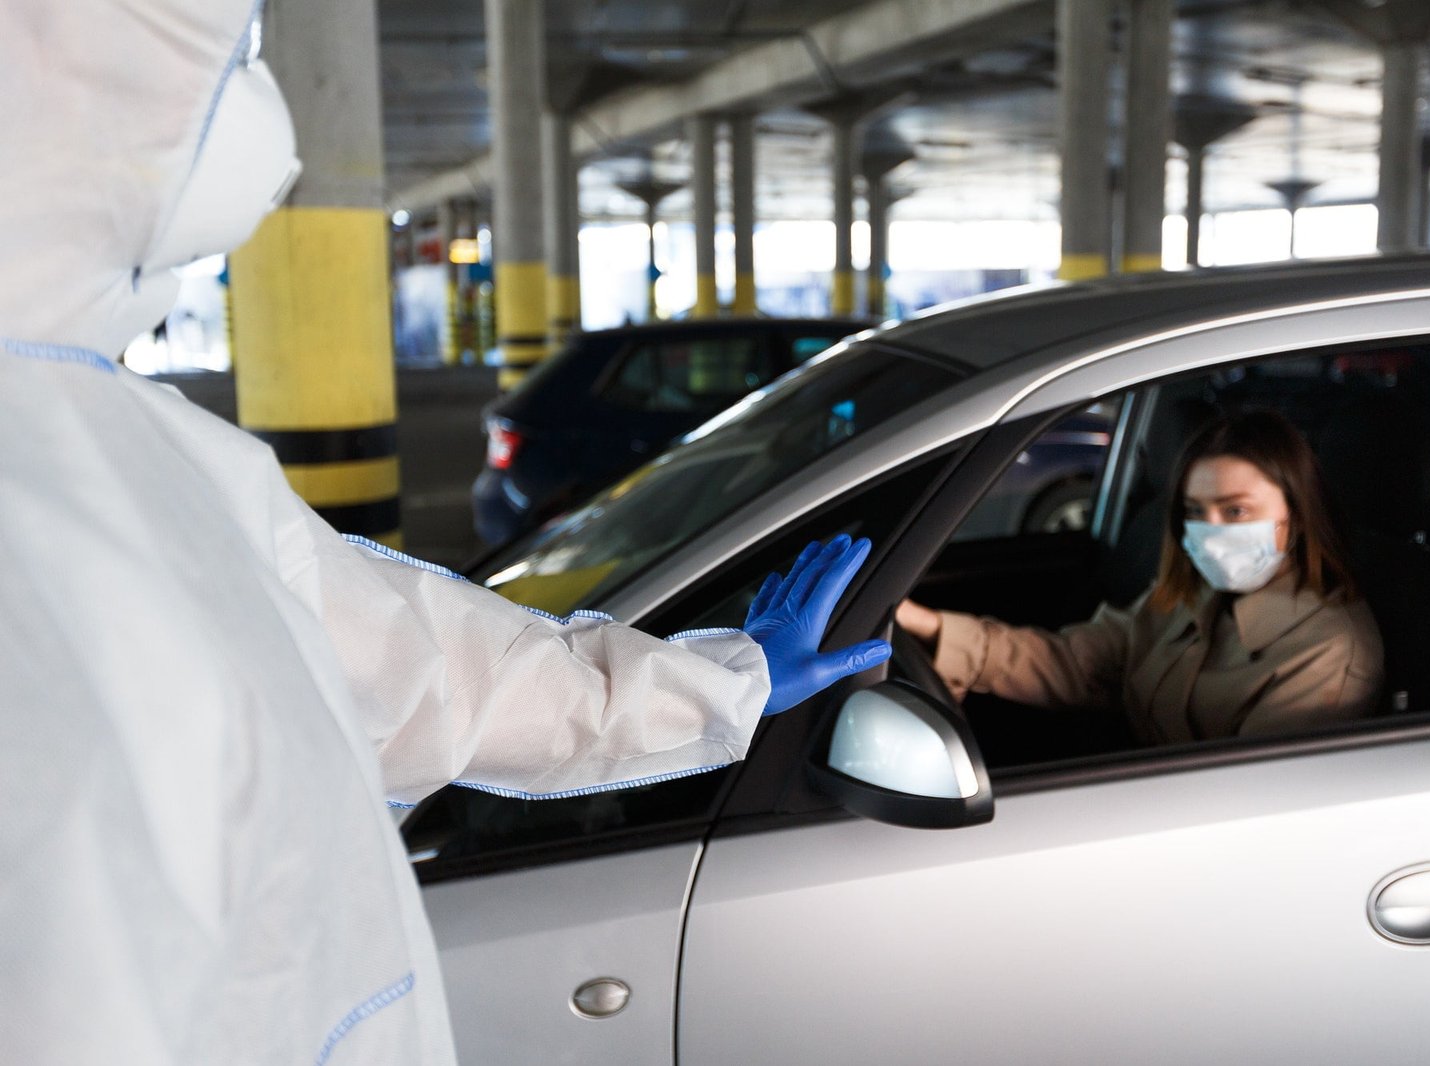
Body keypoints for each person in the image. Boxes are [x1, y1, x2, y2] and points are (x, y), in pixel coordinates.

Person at [0, 4, 888, 1063]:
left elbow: (426, 667)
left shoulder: (159, 450)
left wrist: (721, 681)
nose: (262, 116)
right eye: (228, 52)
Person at [897, 410, 1383, 745]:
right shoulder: (1192, 595)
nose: (1210, 532)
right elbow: (1075, 663)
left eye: (1235, 510)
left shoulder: (1329, 655)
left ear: (1295, 517)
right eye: (1196, 511)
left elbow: (1244, 806)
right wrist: (932, 627)